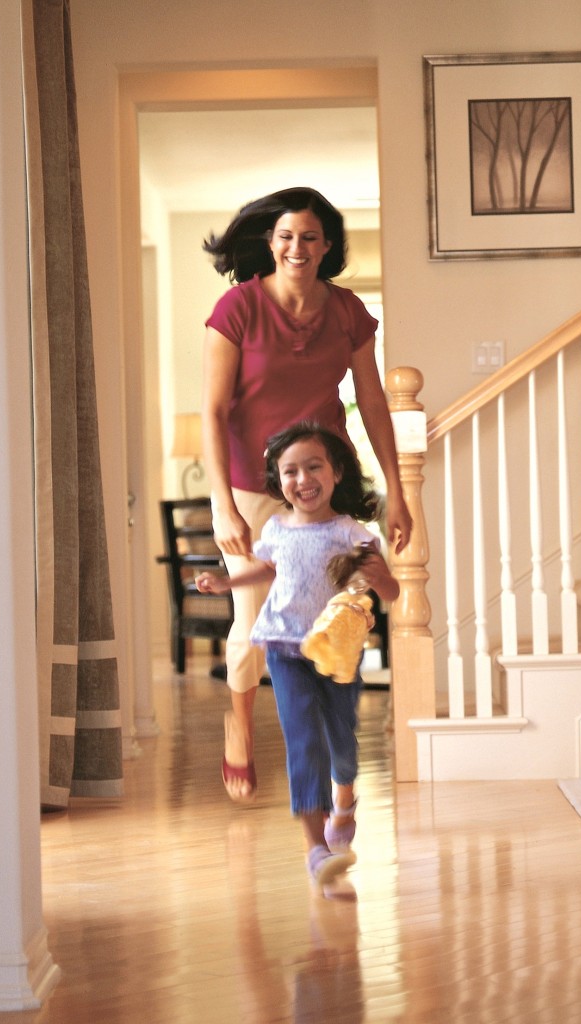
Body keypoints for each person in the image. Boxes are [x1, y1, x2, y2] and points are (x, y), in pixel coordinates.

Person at [201, 186, 412, 803]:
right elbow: (213, 411)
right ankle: (239, 721)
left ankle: (325, 728)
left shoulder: (348, 313)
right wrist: (222, 504)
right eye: (287, 235)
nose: (298, 247)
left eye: (311, 237)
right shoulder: (237, 308)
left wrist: (395, 490)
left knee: (335, 608)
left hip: (323, 485)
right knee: (255, 618)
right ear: (270, 242)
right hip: (251, 485)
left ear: (328, 247)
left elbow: (372, 403)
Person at [196, 423, 400, 888]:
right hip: (284, 648)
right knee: (303, 741)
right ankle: (316, 849)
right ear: (278, 480)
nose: (302, 479)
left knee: (341, 745)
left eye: (314, 467)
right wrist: (227, 583)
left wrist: (377, 574)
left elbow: (391, 590)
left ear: (336, 473)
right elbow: (266, 568)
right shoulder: (275, 528)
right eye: (290, 471)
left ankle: (344, 799)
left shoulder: (352, 533)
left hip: (336, 654)